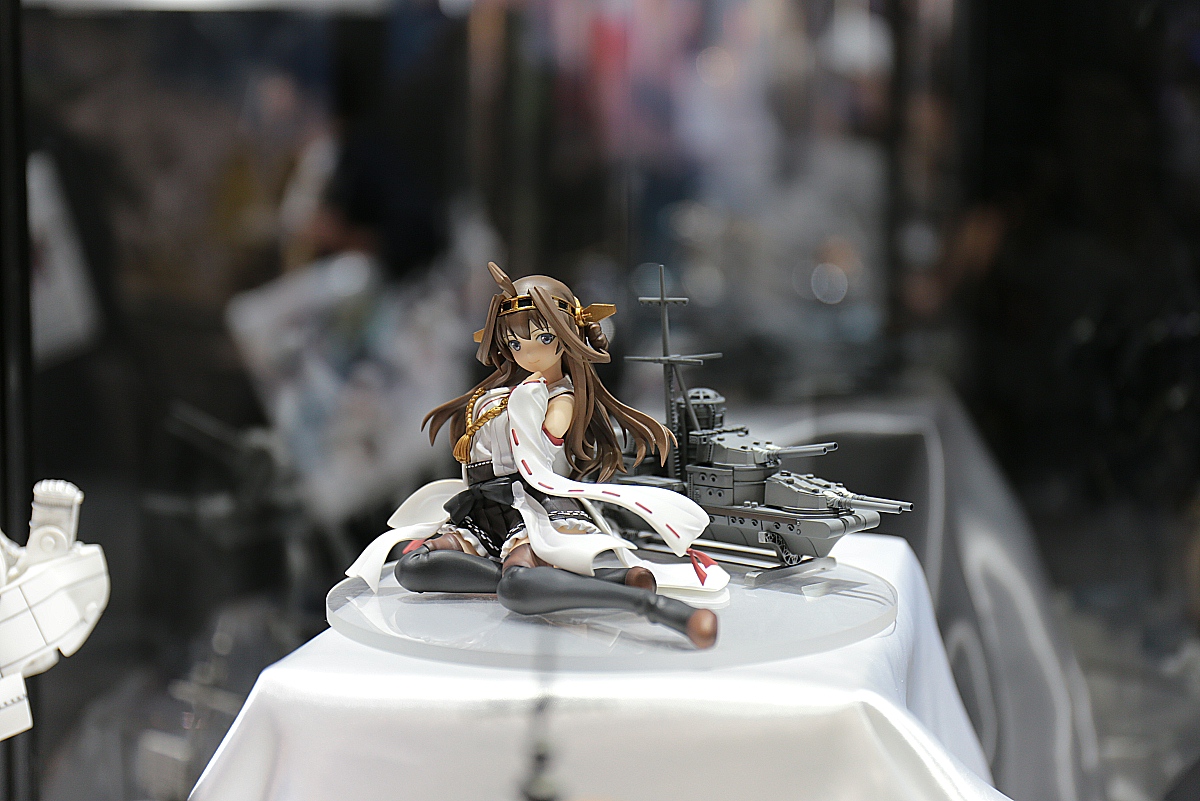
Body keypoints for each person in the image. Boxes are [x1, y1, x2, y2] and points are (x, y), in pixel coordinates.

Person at [347, 263, 728, 647]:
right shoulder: (505, 392)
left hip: (529, 506)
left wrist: (528, 398)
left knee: (516, 589)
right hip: (484, 507)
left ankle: (644, 603)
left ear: (566, 336)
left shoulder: (559, 397)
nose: (527, 353)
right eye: (515, 344)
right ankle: (583, 580)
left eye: (542, 339)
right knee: (413, 567)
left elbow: (542, 444)